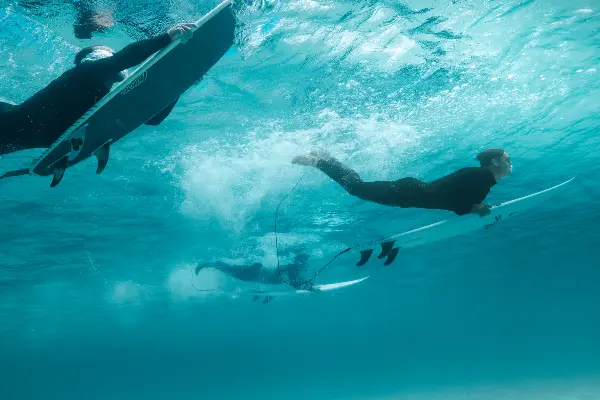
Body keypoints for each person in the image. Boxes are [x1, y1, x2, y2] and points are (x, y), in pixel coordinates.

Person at [0, 22, 195, 156]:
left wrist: (179, 86)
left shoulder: (105, 102)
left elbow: (152, 118)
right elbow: (127, 56)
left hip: (16, 140)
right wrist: (167, 37)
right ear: (93, 58)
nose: (113, 56)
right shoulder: (85, 71)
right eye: (108, 53)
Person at [292, 149, 512, 217]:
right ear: (494, 162)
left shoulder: (483, 179)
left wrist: (470, 208)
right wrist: (470, 208)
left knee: (358, 186)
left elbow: (451, 195)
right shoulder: (481, 176)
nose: (510, 163)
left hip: (409, 192)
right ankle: (320, 162)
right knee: (356, 188)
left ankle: (328, 159)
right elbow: (446, 195)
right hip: (407, 193)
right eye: (507, 159)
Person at [195, 253, 320, 293]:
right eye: (305, 262)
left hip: (254, 276)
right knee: (230, 269)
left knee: (230, 270)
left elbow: (296, 280)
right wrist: (308, 287)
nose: (307, 265)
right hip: (253, 273)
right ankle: (206, 264)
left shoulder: (296, 270)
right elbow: (294, 281)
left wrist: (308, 284)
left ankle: (208, 264)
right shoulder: (293, 267)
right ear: (301, 261)